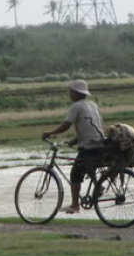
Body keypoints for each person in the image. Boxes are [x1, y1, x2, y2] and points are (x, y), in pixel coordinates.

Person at [42, 80, 105, 214]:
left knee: (75, 174)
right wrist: (76, 139)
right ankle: (98, 187)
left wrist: (50, 133)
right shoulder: (93, 105)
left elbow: (66, 125)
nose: (70, 94)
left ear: (77, 93)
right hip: (100, 144)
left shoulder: (76, 106)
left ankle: (75, 205)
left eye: (71, 92)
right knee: (89, 167)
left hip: (89, 146)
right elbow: (92, 126)